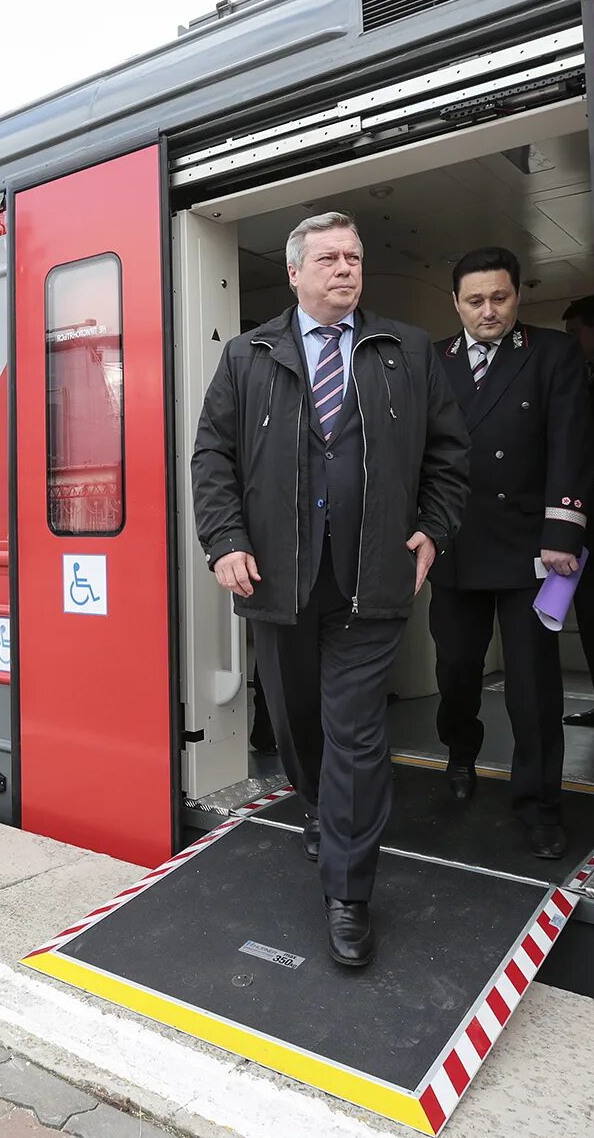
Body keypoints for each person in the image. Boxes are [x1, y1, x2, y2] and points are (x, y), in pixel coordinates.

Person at [192, 211, 468, 968]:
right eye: (328, 258)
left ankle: (348, 891)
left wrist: (434, 529)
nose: (345, 268)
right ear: (294, 272)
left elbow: (449, 454)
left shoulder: (405, 350)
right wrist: (224, 540)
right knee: (297, 721)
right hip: (279, 581)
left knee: (357, 734)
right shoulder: (248, 357)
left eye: (354, 255)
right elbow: (211, 455)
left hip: (369, 583)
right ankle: (317, 805)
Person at [429, 247, 593, 860]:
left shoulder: (551, 353)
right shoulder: (433, 360)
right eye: (474, 300)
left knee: (533, 687)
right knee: (455, 674)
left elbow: (571, 445)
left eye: (499, 297)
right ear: (456, 303)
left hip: (532, 548)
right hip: (455, 544)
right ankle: (460, 748)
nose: (488, 310)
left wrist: (563, 533)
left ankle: (540, 805)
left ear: (518, 295)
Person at [559, 296, 594, 731]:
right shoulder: (578, 378)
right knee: (591, 616)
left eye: (576, 332)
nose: (571, 342)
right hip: (581, 525)